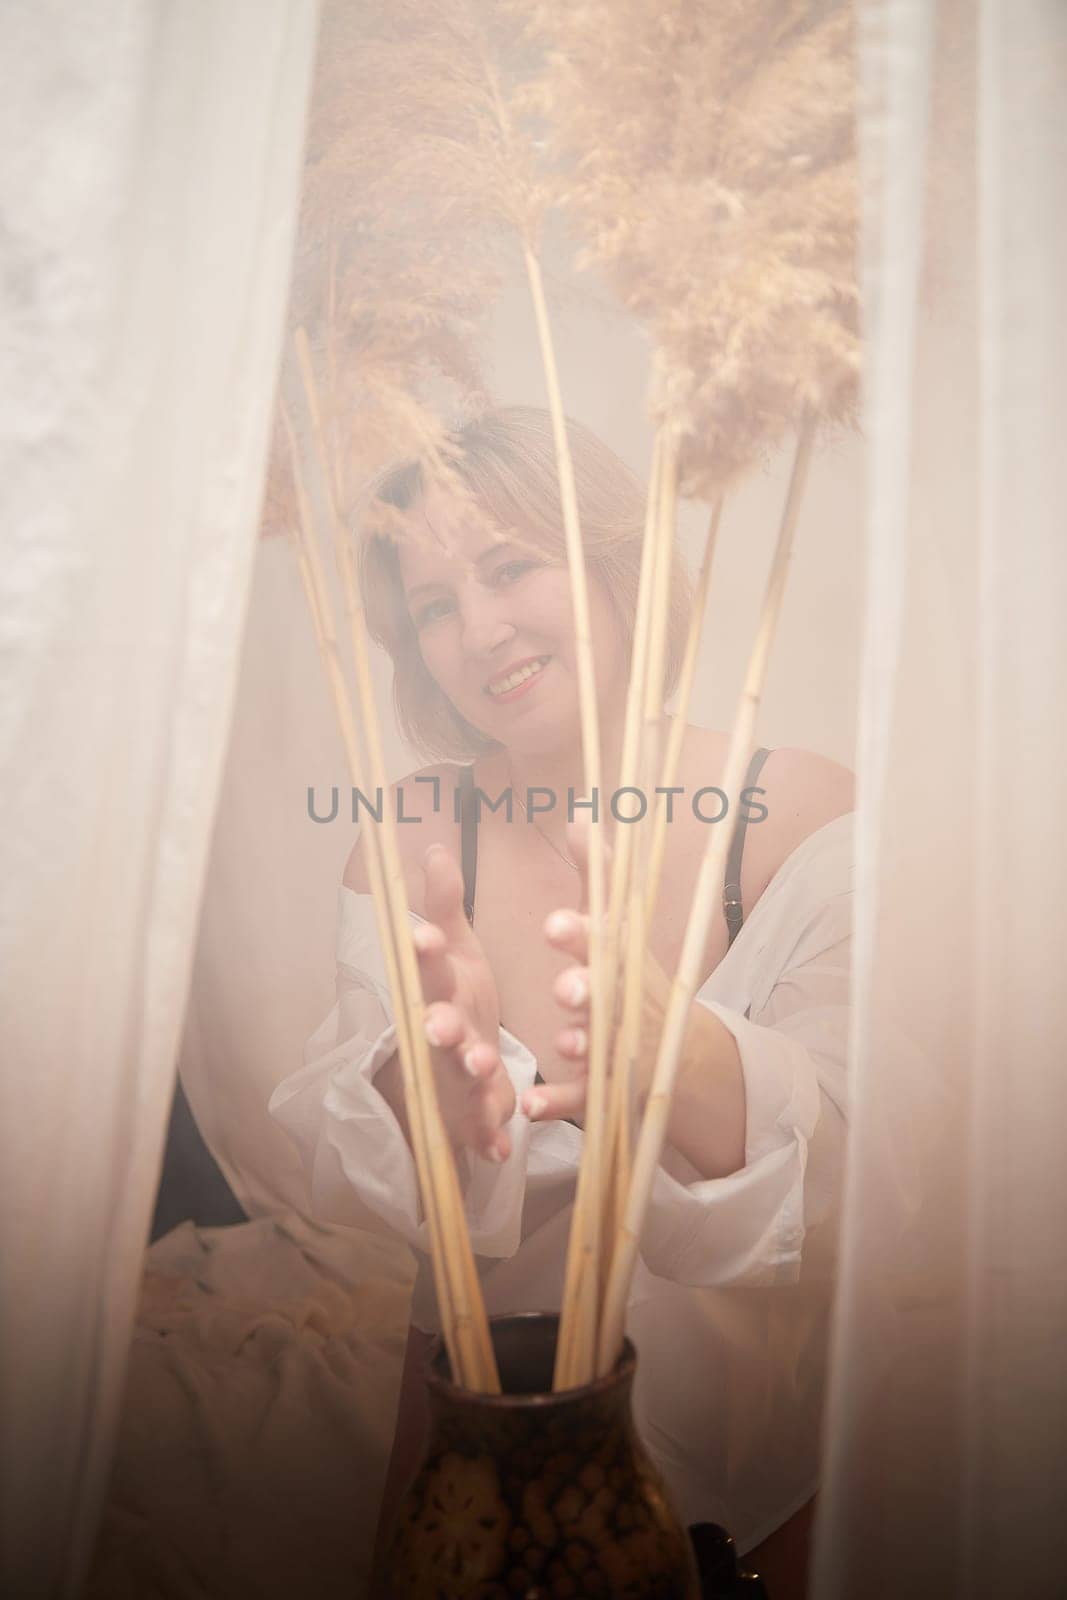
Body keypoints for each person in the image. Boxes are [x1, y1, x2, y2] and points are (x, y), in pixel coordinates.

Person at [269, 407, 855, 1599]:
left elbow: (870, 1183)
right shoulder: (413, 832)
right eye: (433, 606)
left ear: (610, 558)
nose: (478, 632)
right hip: (479, 1469)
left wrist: (671, 1051)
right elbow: (358, 1157)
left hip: (758, 1479)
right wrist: (425, 1089)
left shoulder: (788, 812)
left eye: (508, 566)